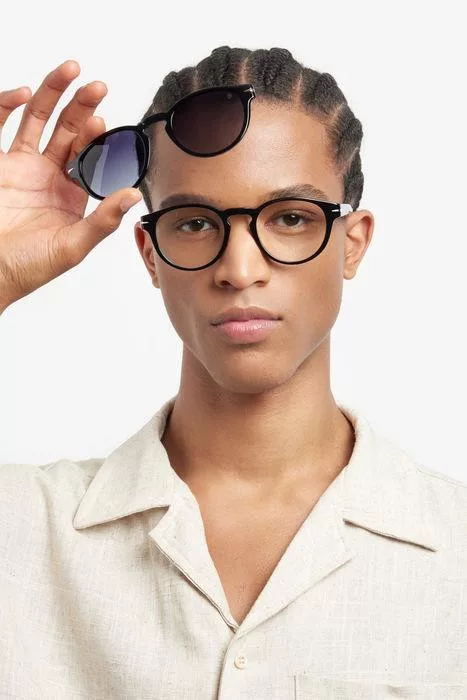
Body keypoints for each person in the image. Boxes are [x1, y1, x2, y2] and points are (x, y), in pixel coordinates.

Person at [0, 46, 465, 699]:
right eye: (194, 222)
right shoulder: (20, 531)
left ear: (352, 243)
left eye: (290, 218)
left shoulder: (454, 550)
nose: (239, 270)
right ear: (150, 253)